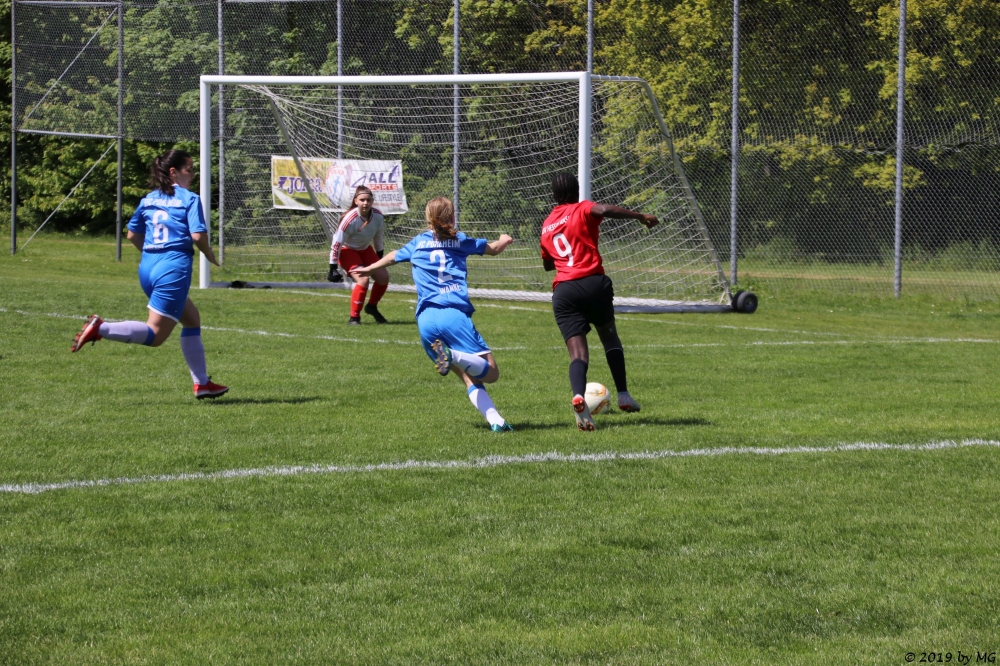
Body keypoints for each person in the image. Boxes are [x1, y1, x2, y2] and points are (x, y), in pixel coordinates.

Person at [70, 149, 228, 399]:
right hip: (172, 269)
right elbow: (198, 236)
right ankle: (101, 328)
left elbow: (132, 234)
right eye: (189, 170)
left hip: (148, 267)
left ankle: (202, 384)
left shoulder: (149, 199)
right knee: (155, 335)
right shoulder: (189, 198)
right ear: (173, 172)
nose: (193, 175)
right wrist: (209, 254)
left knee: (191, 319)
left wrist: (154, 253)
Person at [354, 197, 515, 432]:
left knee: (469, 377)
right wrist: (504, 239)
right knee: (491, 373)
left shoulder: (418, 243)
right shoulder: (460, 240)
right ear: (451, 217)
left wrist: (369, 267)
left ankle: (497, 422)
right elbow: (494, 249)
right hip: (453, 314)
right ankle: (452, 355)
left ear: (428, 218)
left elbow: (394, 255)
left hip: (426, 320)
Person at [539, 173, 659, 431]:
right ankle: (624, 395)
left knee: (578, 354)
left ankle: (578, 395)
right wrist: (640, 216)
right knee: (609, 336)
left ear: (553, 196)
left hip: (564, 291)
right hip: (593, 282)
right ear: (577, 191)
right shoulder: (582, 208)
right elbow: (603, 210)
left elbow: (548, 264)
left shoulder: (547, 224)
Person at [327, 185, 390, 324]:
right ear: (356, 201)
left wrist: (379, 258)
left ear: (372, 201)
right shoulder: (349, 219)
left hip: (365, 249)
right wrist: (332, 267)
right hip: (347, 250)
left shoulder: (378, 216)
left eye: (368, 200)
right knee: (363, 279)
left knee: (383, 277)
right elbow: (337, 243)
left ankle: (372, 307)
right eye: (362, 200)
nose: (365, 203)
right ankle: (354, 317)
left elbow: (378, 237)